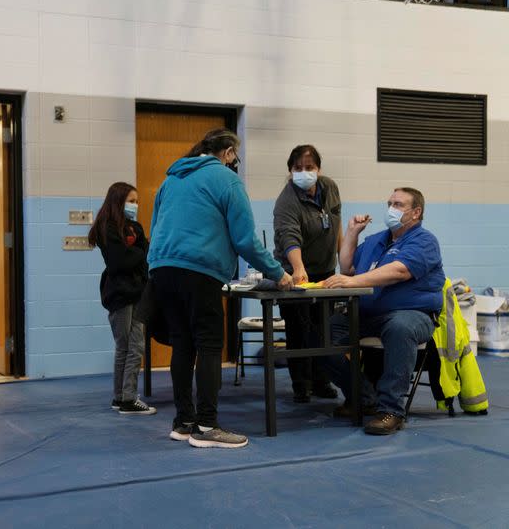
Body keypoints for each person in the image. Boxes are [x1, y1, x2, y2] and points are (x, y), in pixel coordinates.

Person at [148, 128, 292, 448]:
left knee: (182, 345)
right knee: (210, 345)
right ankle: (207, 427)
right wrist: (278, 273)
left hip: (162, 269)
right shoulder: (227, 181)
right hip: (199, 271)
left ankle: (184, 422)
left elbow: (156, 227)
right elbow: (245, 240)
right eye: (235, 157)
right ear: (228, 153)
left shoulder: (170, 180)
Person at [322, 187, 445, 435]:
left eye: (398, 204)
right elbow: (346, 268)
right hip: (368, 314)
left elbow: (399, 271)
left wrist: (354, 282)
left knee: (400, 327)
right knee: (323, 336)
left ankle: (391, 410)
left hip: (412, 314)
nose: (391, 208)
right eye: (389, 202)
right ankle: (364, 397)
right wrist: (352, 233)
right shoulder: (377, 240)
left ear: (416, 212)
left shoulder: (424, 241)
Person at [273, 145, 341, 403]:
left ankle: (323, 380)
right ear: (290, 171)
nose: (304, 172)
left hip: (326, 271)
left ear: (319, 169)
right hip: (294, 273)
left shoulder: (330, 188)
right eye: (298, 168)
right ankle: (301, 384)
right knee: (299, 330)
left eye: (309, 168)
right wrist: (299, 269)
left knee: (325, 328)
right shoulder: (286, 201)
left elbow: (335, 226)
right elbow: (290, 238)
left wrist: (344, 260)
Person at [89, 182, 156, 415]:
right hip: (120, 295)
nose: (135, 206)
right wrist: (140, 250)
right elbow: (120, 261)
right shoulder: (108, 228)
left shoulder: (134, 227)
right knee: (127, 346)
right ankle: (127, 398)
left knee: (133, 345)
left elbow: (145, 255)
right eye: (131, 201)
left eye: (137, 202)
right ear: (118, 201)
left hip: (138, 292)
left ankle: (121, 396)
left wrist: (138, 250)